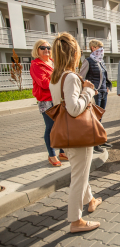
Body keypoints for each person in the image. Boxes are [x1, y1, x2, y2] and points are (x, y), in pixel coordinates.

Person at [49, 32, 102, 233]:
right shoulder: (70, 77)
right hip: (79, 135)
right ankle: (75, 221)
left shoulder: (55, 78)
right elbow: (73, 108)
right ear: (73, 54)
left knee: (80, 172)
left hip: (66, 134)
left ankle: (90, 201)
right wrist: (88, 91)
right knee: (79, 178)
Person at [30, 39, 67, 167]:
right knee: (51, 127)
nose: (46, 50)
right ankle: (52, 155)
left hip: (57, 98)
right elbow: (44, 83)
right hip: (46, 100)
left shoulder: (52, 62)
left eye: (48, 47)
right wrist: (59, 78)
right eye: (42, 47)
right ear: (37, 50)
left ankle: (62, 152)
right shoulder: (36, 65)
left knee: (61, 126)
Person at [79, 39, 112, 153]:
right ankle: (93, 144)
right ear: (93, 48)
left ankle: (100, 140)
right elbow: (81, 78)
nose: (102, 50)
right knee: (93, 119)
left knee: (99, 118)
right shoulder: (88, 61)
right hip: (95, 94)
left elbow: (105, 77)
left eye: (102, 47)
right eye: (99, 47)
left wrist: (108, 86)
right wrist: (90, 89)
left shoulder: (101, 61)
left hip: (103, 92)